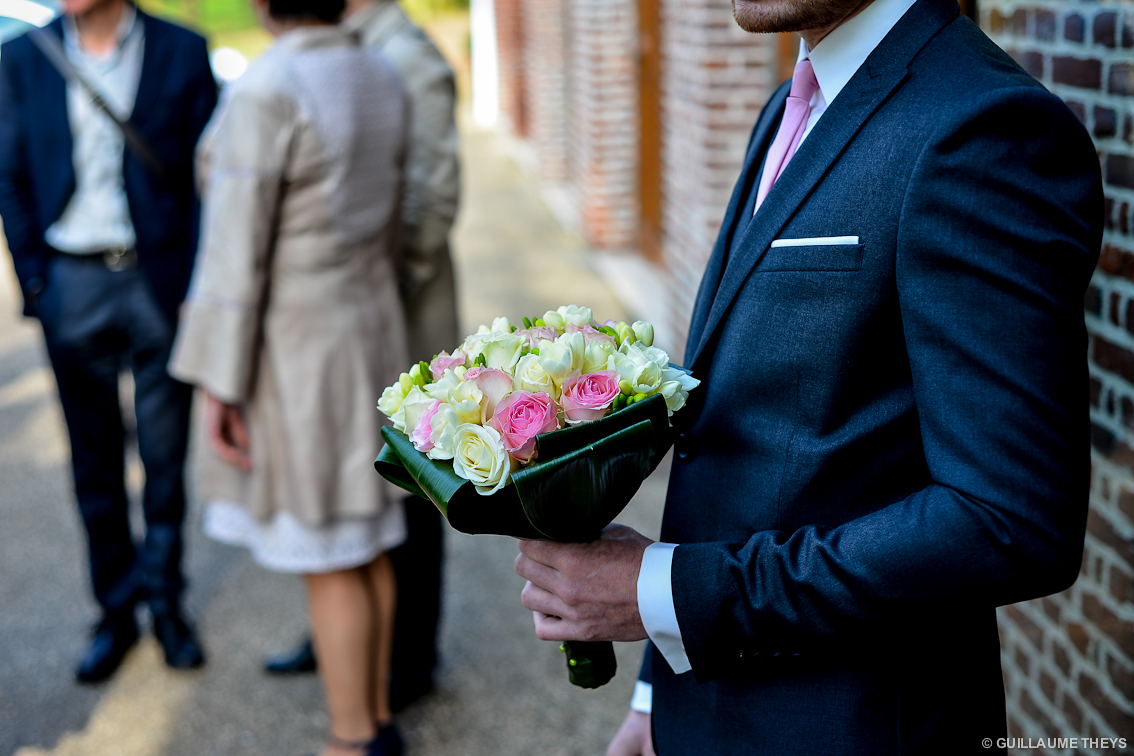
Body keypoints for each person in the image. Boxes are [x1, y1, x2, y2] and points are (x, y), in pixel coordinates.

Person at [513, 0, 1104, 752]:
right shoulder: (796, 101)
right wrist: (657, 692)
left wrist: (665, 592)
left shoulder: (985, 129)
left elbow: (1008, 522)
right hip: (717, 703)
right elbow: (739, 444)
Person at [168, 0, 409, 752]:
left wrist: (217, 383)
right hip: (371, 326)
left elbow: (233, 258)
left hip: (302, 350)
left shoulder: (268, 86)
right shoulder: (380, 68)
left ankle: (349, 741)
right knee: (365, 541)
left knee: (329, 548)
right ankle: (373, 721)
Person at [0, 0, 216, 683]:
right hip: (73, 284)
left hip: (158, 284)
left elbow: (209, 179)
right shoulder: (22, 57)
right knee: (93, 466)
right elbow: (10, 176)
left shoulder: (180, 49)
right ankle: (115, 613)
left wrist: (197, 284)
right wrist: (37, 285)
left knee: (164, 461)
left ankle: (168, 605)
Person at [265, 0, 461, 712]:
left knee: (409, 496)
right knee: (354, 495)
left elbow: (433, 200)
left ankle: (409, 664)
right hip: (363, 321)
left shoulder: (408, 56)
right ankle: (346, 639)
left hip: (402, 321)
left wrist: (365, 282)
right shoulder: (343, 50)